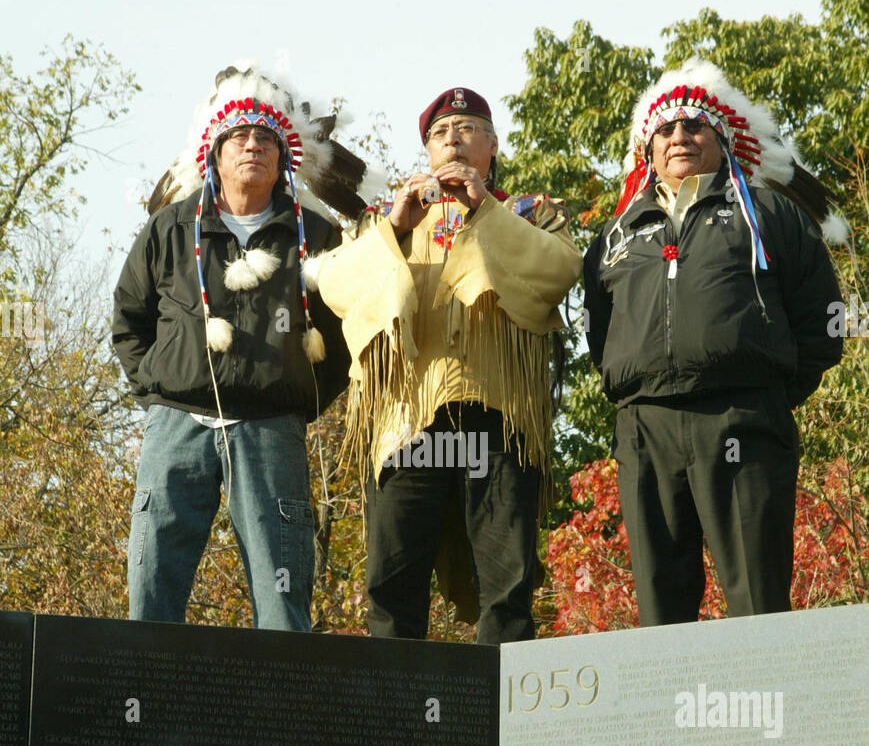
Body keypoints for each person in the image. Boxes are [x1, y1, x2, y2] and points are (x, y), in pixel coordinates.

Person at [310, 86, 582, 643]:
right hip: (407, 423)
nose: (452, 139)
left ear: (493, 144)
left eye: (466, 128)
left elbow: (559, 271)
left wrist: (485, 208)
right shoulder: (382, 219)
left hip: (499, 421)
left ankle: (501, 721)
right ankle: (398, 722)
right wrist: (398, 228)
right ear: (427, 151)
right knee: (392, 584)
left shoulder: (529, 212)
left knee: (507, 587)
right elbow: (335, 283)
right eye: (439, 133)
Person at [583, 61, 846, 626]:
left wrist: (769, 392)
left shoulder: (769, 214)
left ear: (722, 140)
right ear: (648, 148)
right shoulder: (617, 234)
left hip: (743, 419)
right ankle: (672, 716)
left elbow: (823, 317)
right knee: (660, 605)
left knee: (757, 599)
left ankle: (763, 713)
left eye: (696, 127)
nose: (681, 137)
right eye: (667, 130)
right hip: (646, 428)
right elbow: (599, 329)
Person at [112, 63, 370, 630]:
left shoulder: (317, 235)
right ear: (216, 153)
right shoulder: (171, 229)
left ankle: (278, 714)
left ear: (282, 156)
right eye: (239, 137)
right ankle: (139, 710)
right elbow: (130, 320)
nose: (252, 145)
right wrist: (160, 388)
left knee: (283, 598)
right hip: (175, 425)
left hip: (271, 428)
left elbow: (345, 337)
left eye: (265, 138)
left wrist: (298, 397)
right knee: (151, 586)